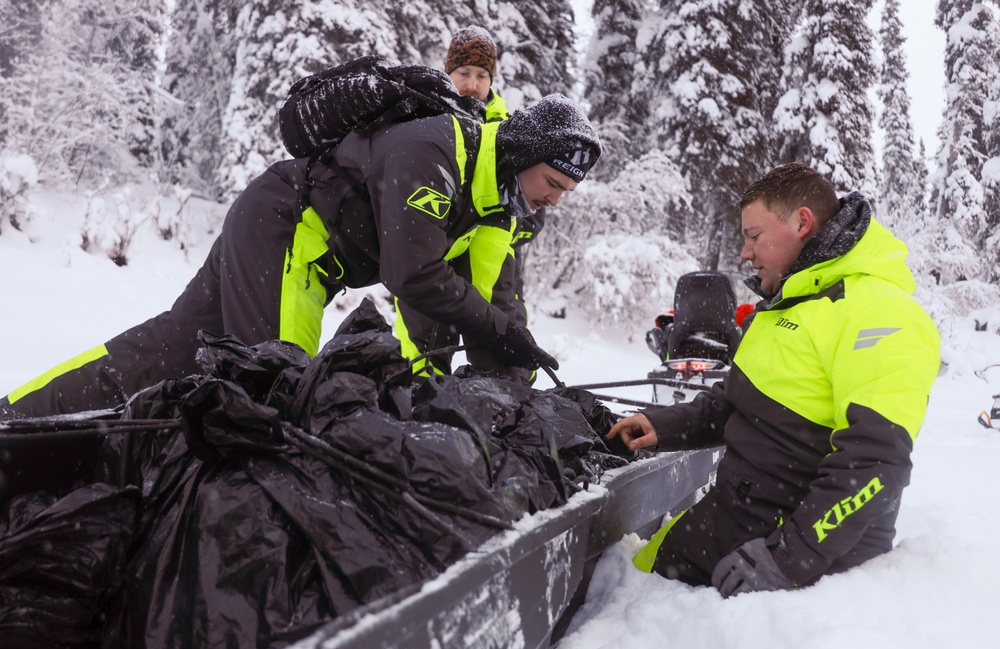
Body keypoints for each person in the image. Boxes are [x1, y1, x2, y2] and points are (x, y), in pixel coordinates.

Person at [0, 93, 601, 419]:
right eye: (552, 181)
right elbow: (414, 275)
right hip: (286, 232)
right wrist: (491, 336)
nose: (552, 200)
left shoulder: (496, 203)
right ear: (524, 151)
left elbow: (465, 303)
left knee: (173, 347)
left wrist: (502, 373)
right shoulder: (436, 152)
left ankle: (18, 415)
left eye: (564, 193)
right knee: (277, 394)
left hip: (277, 230)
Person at [609, 163, 940, 597]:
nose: (745, 253)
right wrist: (661, 426)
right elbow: (737, 401)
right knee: (625, 590)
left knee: (631, 612)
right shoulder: (788, 304)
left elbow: (875, 463)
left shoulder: (880, 312)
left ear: (802, 222)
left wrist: (788, 558)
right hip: (736, 519)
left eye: (754, 235)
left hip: (796, 555)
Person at [395, 25, 545, 378]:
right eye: (464, 73)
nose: (473, 84)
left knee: (501, 326)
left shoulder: (510, 132)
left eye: (482, 75)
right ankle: (417, 399)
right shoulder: (425, 119)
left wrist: (517, 229)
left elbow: (533, 200)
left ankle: (510, 402)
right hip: (435, 243)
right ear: (448, 73)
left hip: (492, 250)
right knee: (424, 332)